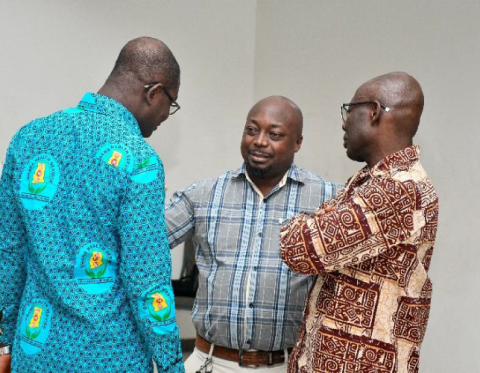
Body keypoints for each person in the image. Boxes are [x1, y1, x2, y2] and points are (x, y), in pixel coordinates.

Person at [0, 37, 185, 373]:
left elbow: (8, 253)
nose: (164, 116)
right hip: (111, 356)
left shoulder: (28, 138)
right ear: (154, 92)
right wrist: (172, 363)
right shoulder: (140, 161)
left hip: (34, 350)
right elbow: (146, 281)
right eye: (170, 104)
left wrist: (4, 341)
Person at [166, 96, 340, 373]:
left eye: (274, 134)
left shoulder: (329, 200)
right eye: (251, 130)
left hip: (285, 365)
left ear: (297, 143)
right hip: (210, 361)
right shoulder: (203, 195)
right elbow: (143, 243)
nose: (259, 141)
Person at [280, 72, 439, 373]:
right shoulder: (375, 181)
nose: (343, 123)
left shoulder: (397, 188)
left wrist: (306, 221)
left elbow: (299, 248)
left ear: (375, 112)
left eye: (349, 111)